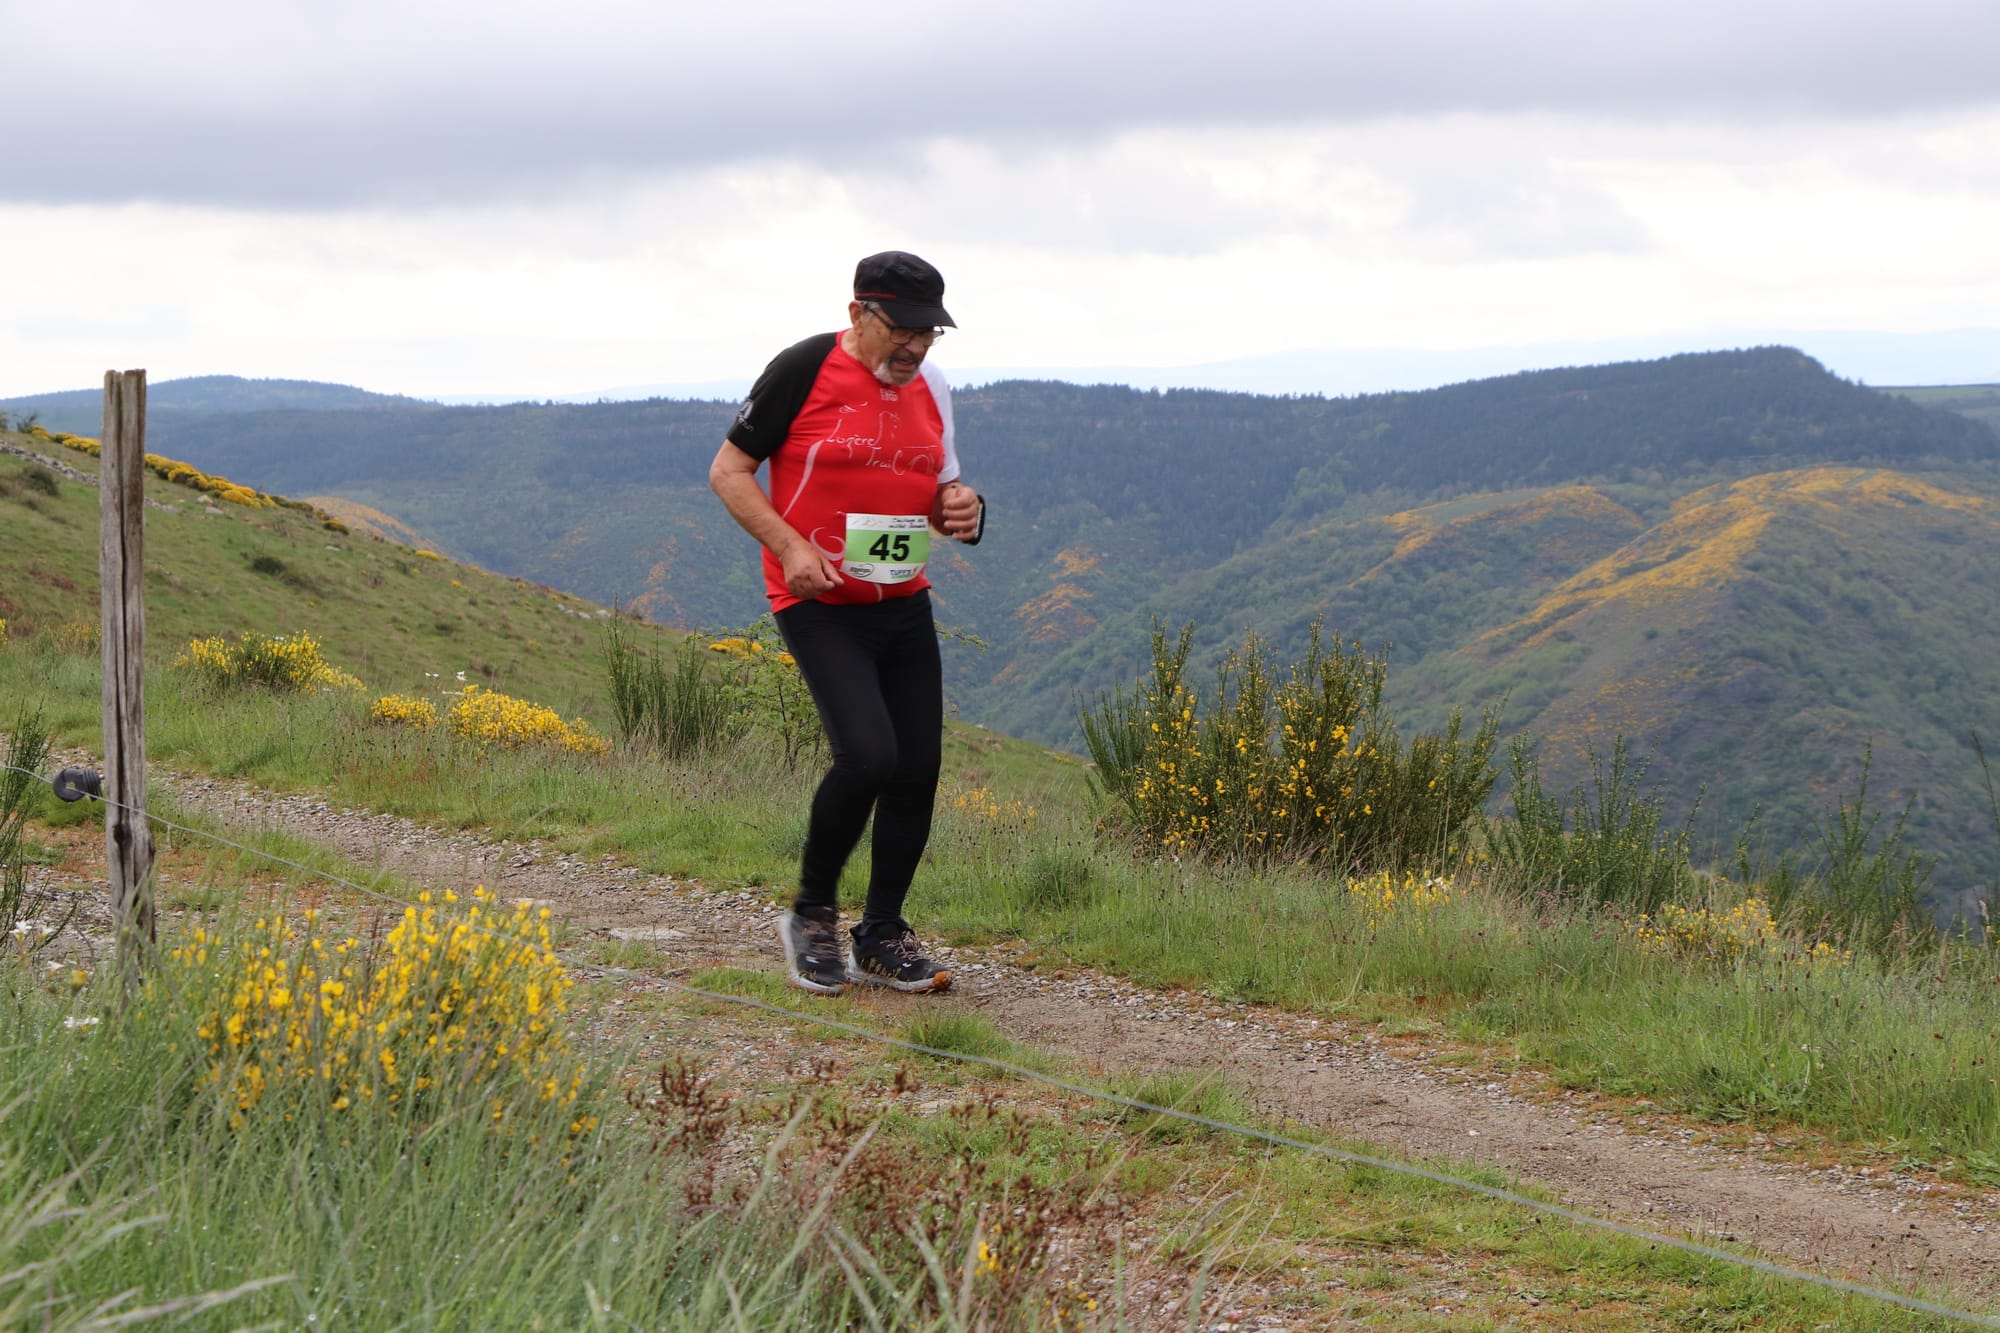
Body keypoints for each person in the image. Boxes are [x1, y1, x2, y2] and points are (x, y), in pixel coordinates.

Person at [709, 251, 985, 996]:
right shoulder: (803, 368)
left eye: (930, 334)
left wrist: (966, 511)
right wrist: (790, 545)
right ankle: (811, 915)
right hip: (818, 599)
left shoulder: (933, 386)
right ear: (860, 312)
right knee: (867, 755)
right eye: (903, 330)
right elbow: (728, 472)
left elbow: (939, 491)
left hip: (901, 598)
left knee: (918, 766)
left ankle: (883, 931)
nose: (917, 347)